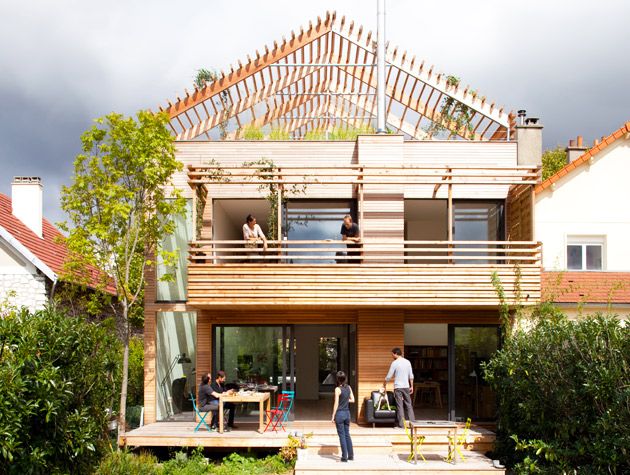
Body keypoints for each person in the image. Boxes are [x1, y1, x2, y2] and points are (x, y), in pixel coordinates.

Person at [384, 347, 415, 429]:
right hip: (406, 386)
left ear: (395, 354)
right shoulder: (408, 362)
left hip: (398, 387)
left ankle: (402, 425)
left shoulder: (394, 363)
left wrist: (384, 384)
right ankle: (413, 424)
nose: (392, 356)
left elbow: (389, 376)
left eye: (392, 354)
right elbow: (411, 375)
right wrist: (412, 386)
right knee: (409, 405)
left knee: (400, 406)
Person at [331, 371, 355, 462]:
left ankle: (344, 457)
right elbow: (353, 400)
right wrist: (345, 401)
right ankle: (351, 455)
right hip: (347, 414)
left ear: (337, 379)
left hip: (340, 414)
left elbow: (336, 403)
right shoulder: (349, 387)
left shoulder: (337, 389)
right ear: (345, 378)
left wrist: (333, 415)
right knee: (347, 434)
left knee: (342, 435)